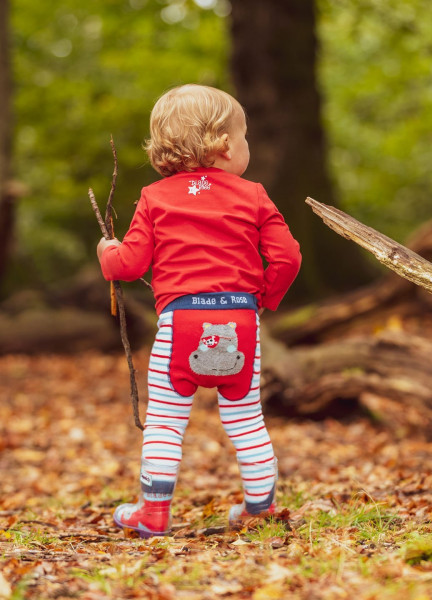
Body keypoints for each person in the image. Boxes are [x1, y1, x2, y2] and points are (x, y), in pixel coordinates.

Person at [97, 84, 301, 538]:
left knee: (167, 421)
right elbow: (288, 257)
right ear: (226, 144)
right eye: (244, 136)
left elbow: (127, 265)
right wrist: (264, 298)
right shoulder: (253, 195)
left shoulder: (154, 198)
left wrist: (106, 251)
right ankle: (260, 508)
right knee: (246, 419)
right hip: (241, 324)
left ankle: (153, 513)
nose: (245, 144)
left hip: (180, 325)